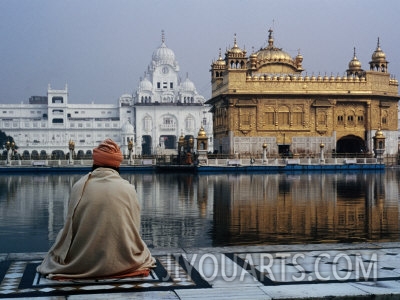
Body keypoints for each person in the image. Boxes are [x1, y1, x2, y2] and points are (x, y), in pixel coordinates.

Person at [37, 139, 156, 280]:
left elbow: (70, 228)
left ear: (95, 163)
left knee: (61, 237)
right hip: (124, 259)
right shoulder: (128, 188)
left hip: (82, 260)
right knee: (142, 248)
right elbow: (134, 229)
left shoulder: (79, 186)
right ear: (117, 165)